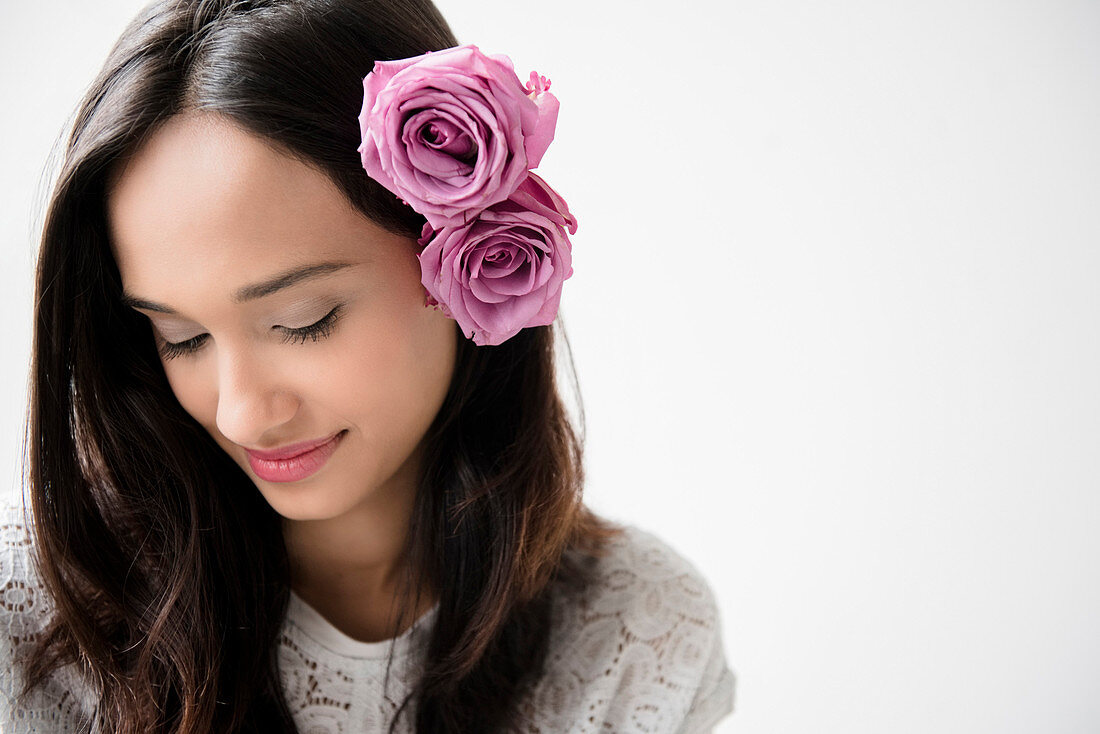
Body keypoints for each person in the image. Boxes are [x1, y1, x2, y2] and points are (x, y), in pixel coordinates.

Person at [0, 0, 735, 731]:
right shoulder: (32, 614)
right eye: (180, 337)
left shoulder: (638, 636)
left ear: (469, 259)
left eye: (303, 321)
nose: (241, 412)